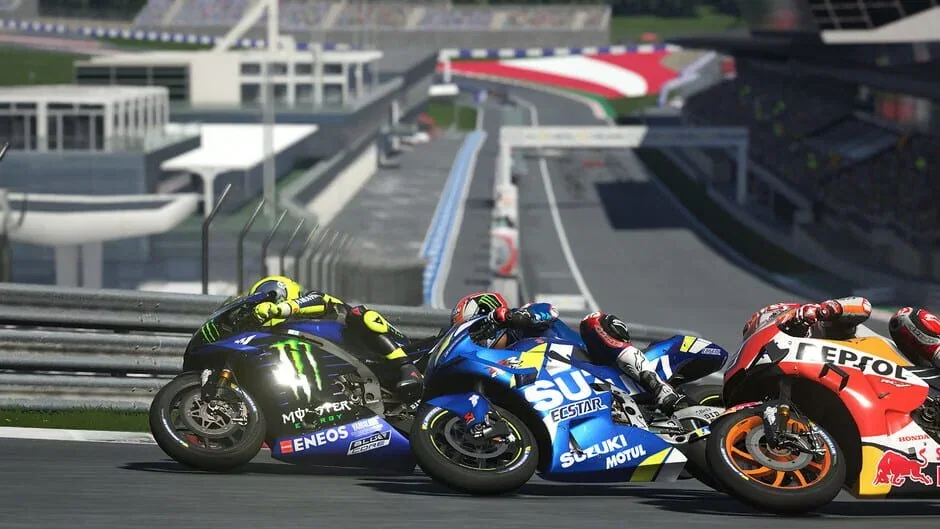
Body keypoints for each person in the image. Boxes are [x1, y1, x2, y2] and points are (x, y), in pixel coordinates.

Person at [450, 292, 689, 415]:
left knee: (593, 322)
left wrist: (516, 317)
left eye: (476, 332)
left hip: (594, 361)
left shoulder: (524, 319)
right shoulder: (503, 365)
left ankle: (659, 387)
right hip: (572, 393)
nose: (477, 340)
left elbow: (548, 310)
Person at [212, 275, 424, 402]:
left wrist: (280, 308)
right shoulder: (285, 332)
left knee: (359, 313)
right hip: (353, 371)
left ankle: (408, 368)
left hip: (385, 348)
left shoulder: (312, 300)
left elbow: (318, 300)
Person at [742, 296, 940, 369]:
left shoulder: (823, 325)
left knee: (906, 317)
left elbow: (862, 305)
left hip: (905, 369)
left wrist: (824, 311)